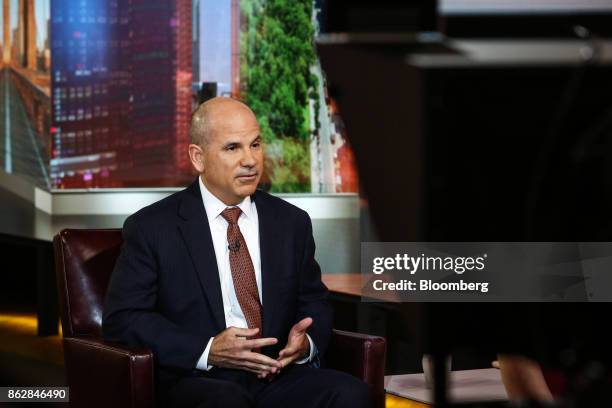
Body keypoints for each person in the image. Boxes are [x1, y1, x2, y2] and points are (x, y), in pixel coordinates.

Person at [102, 97, 370, 408]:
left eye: (255, 145)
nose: (250, 160)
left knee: (351, 394)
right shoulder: (152, 227)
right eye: (233, 148)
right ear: (198, 158)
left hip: (275, 374)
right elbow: (124, 318)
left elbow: (314, 301)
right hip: (199, 379)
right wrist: (208, 349)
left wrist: (305, 344)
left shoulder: (290, 222)